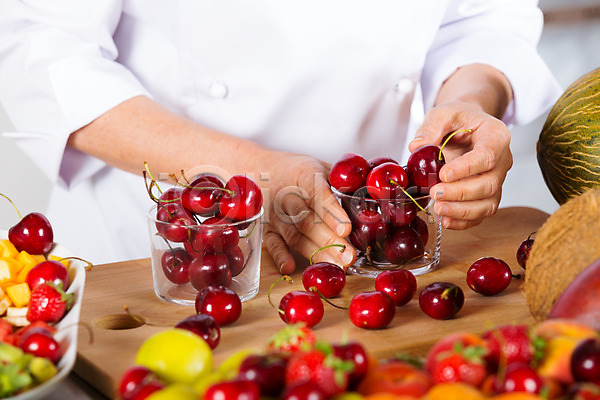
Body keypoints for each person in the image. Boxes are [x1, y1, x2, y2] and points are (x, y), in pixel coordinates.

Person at [0, 1, 561, 273]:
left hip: (371, 244)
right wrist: (246, 171)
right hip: (163, 256)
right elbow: (38, 52)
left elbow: (484, 19)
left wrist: (468, 102)